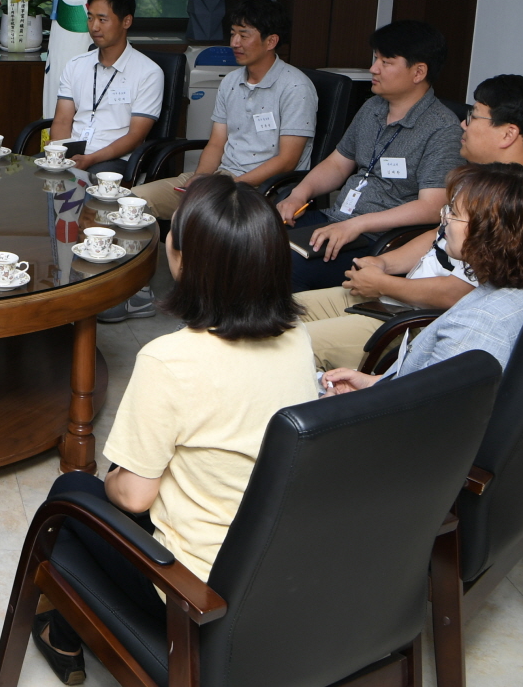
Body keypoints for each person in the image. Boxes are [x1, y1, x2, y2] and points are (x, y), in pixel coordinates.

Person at [31, 175, 318, 683]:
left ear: (183, 260)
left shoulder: (170, 359)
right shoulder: (298, 338)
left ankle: (62, 628)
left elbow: (134, 497)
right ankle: (63, 629)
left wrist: (118, 476)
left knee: (72, 492)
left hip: (195, 592)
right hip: (277, 574)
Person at [298, 74, 523, 369]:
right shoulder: (482, 180)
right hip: (398, 298)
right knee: (277, 314)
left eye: (474, 116)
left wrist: (384, 285)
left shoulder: (516, 204)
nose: (463, 124)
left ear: (508, 134)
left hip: (414, 323)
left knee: (287, 345)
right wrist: (385, 263)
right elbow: (439, 235)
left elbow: (459, 293)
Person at [120, 0, 316, 323]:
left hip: (262, 188)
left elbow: (287, 160)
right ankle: (135, 291)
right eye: (233, 33)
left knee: (193, 219)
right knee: (134, 201)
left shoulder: (296, 87)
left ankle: (203, 305)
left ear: (271, 41)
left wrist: (228, 185)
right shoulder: (232, 82)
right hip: (221, 177)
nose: (234, 43)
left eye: (244, 35)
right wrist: (200, 178)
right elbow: (216, 142)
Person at [322, 162, 523, 396]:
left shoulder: (476, 327)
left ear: (488, 231)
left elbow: (429, 413)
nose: (445, 223)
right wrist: (373, 384)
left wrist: (344, 407)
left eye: (453, 213)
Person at [276, 20, 464, 291]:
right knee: (251, 239)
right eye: (376, 59)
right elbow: (337, 164)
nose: (373, 69)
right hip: (336, 219)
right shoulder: (373, 107)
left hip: (377, 240)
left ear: (418, 72)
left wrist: (358, 224)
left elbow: (432, 206)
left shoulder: (442, 128)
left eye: (386, 62)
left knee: (282, 267)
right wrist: (298, 195)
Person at [47, 0, 164, 175]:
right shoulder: (75, 65)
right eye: (90, 18)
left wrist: (90, 159)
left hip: (114, 159)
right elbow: (62, 121)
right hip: (73, 154)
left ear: (126, 21)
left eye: (102, 20)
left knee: (88, 183)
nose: (94, 27)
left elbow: (135, 136)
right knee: (28, 177)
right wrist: (61, 155)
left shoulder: (149, 73)